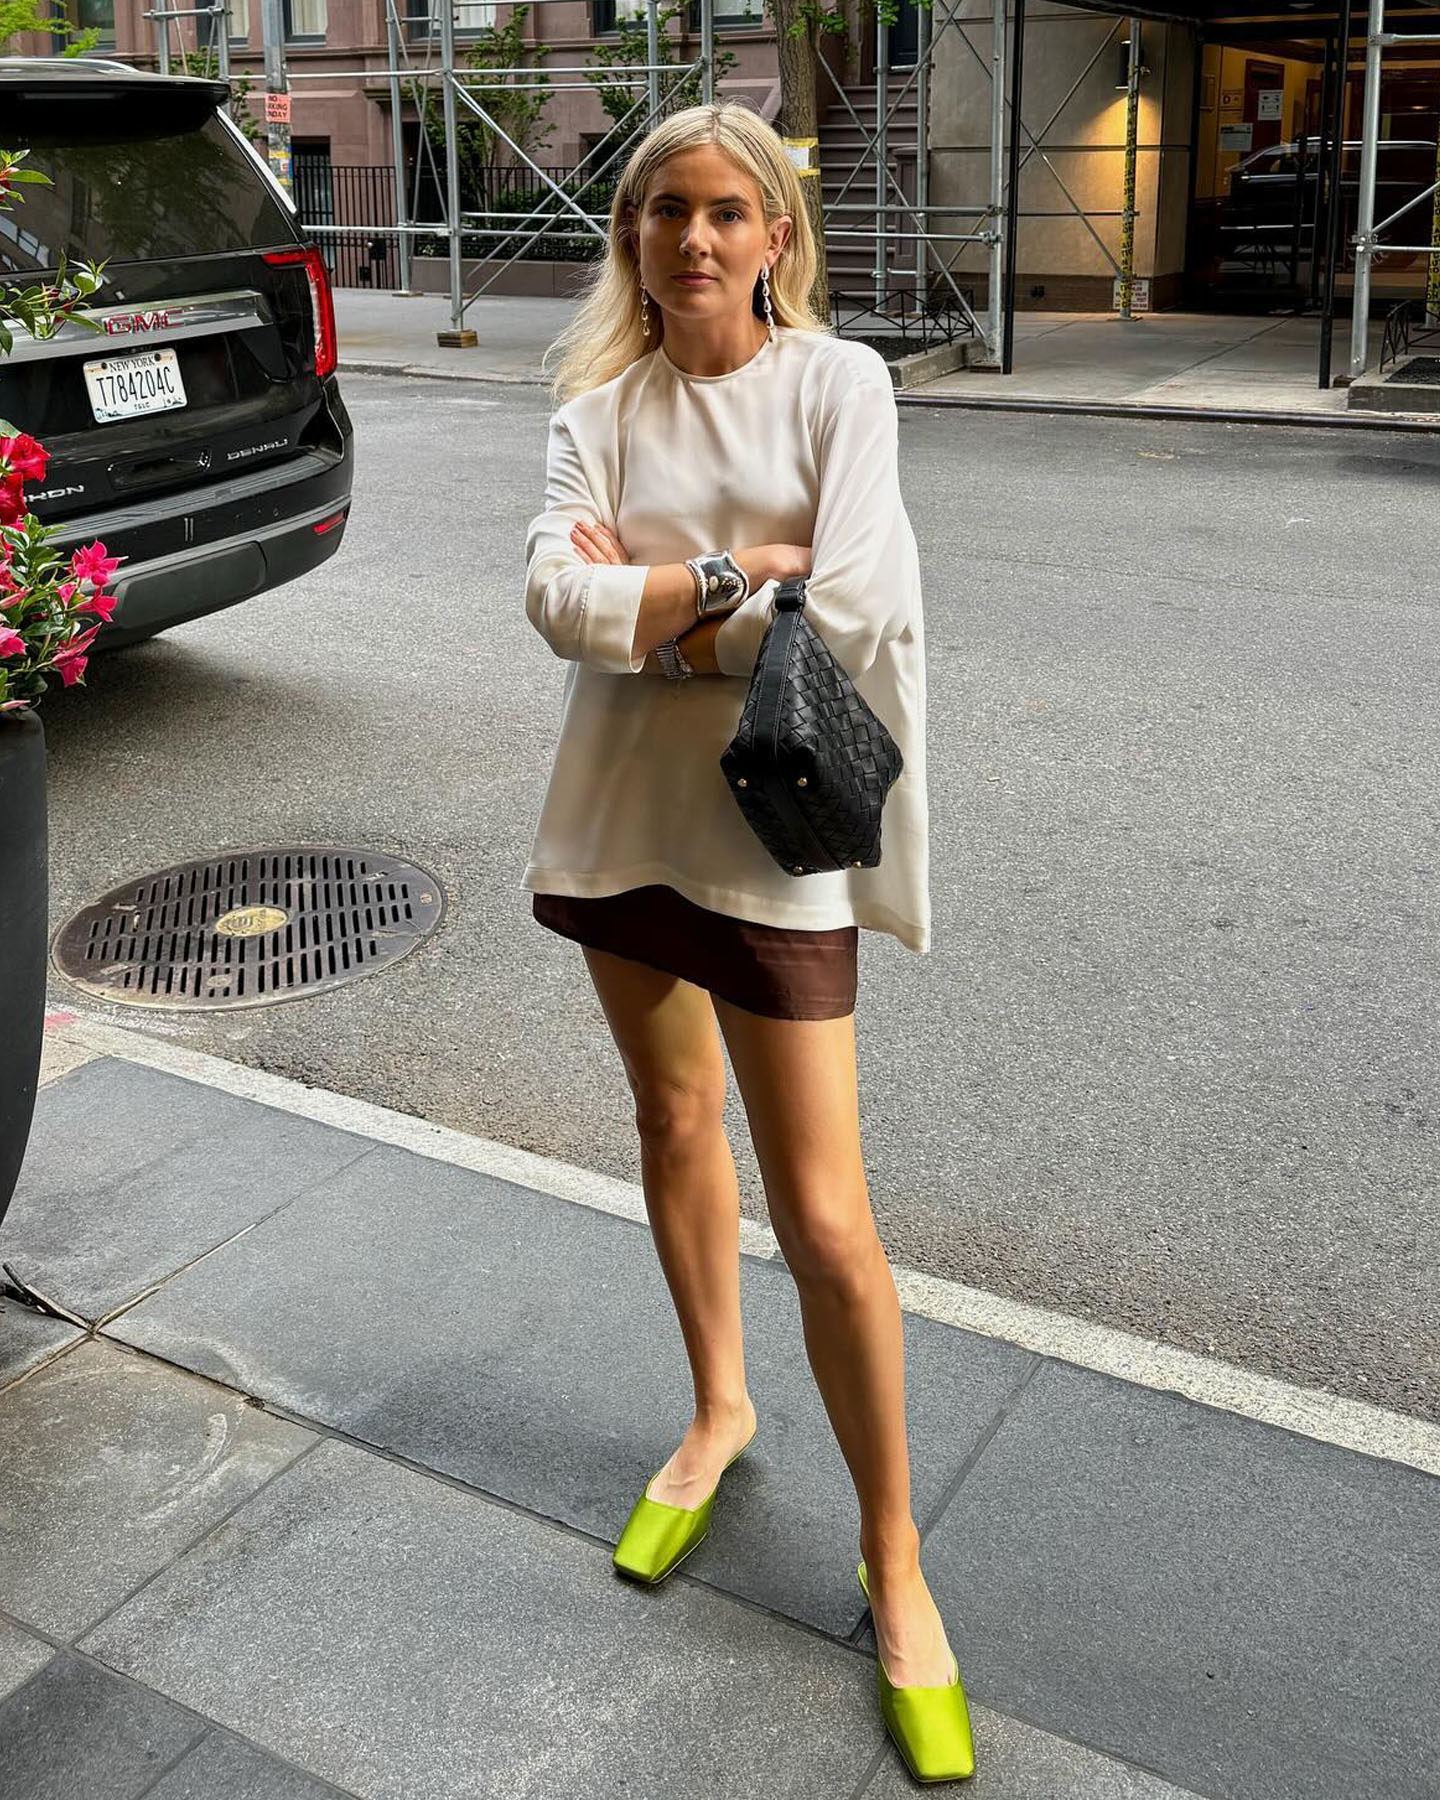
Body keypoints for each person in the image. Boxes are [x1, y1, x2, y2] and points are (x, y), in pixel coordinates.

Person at [522, 100, 971, 1784]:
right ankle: (718, 1411)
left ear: (777, 233)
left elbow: (843, 611)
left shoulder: (840, 386)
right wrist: (735, 572)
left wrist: (656, 604)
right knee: (665, 1122)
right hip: (626, 824)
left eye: (727, 210)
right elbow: (546, 602)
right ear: (631, 236)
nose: (694, 238)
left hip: (775, 839)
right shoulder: (595, 407)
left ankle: (896, 1557)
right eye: (663, 210)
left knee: (832, 1219)